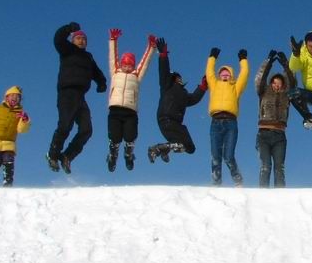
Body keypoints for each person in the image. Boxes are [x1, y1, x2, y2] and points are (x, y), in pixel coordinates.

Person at [47, 22, 107, 174]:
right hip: (67, 93)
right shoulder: (67, 50)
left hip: (80, 96)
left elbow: (97, 72)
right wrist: (68, 29)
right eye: (79, 38)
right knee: (65, 126)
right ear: (73, 40)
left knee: (87, 129)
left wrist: (101, 83)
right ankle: (52, 155)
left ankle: (67, 156)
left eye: (84, 39)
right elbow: (58, 39)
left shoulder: (88, 57)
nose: (82, 41)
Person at [147, 37, 208, 164]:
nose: (179, 80)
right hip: (166, 119)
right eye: (177, 78)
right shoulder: (167, 85)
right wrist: (163, 54)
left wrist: (203, 87)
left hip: (175, 124)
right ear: (173, 78)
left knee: (190, 148)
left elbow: (194, 98)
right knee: (183, 145)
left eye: (180, 78)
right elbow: (163, 70)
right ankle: (158, 149)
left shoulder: (184, 94)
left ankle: (165, 148)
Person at [106, 28, 156, 171]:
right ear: (121, 64)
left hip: (130, 112)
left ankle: (128, 155)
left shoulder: (136, 75)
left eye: (130, 65)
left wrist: (151, 47)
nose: (127, 67)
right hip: (115, 110)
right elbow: (112, 57)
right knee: (115, 137)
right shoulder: (115, 72)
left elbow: (145, 62)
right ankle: (112, 155)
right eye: (125, 64)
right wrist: (113, 40)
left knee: (130, 136)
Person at [206, 47, 249, 186]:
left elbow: (244, 74)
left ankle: (237, 180)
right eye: (222, 74)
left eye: (227, 74)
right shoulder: (214, 85)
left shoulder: (235, 87)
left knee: (228, 156)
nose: (225, 75)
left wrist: (243, 60)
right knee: (215, 156)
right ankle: (216, 183)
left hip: (231, 123)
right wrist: (212, 57)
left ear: (231, 75)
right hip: (215, 122)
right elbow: (209, 73)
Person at [255, 50, 296, 188]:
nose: (276, 85)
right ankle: (263, 194)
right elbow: (260, 78)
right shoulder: (264, 91)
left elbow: (291, 79)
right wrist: (268, 62)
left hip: (280, 136)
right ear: (271, 84)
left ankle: (280, 196)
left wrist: (286, 64)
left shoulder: (286, 95)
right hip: (263, 135)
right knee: (265, 166)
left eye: (279, 83)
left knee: (279, 168)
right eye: (274, 83)